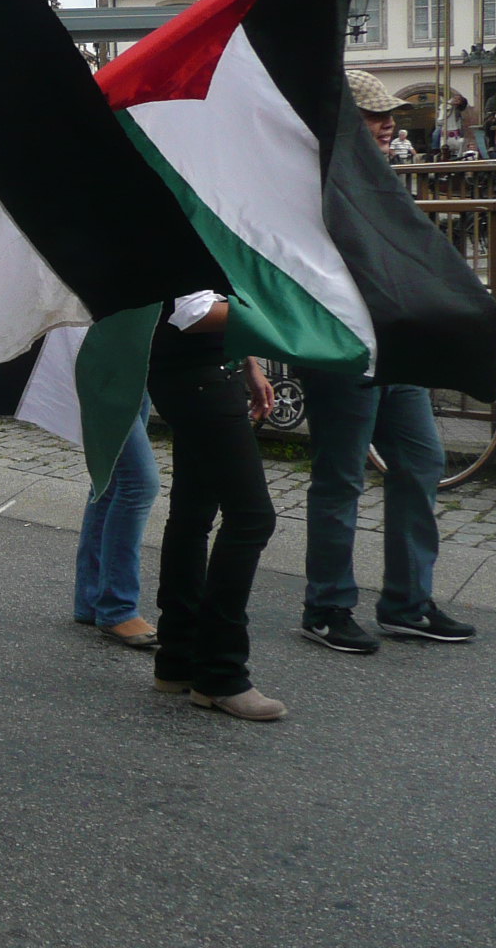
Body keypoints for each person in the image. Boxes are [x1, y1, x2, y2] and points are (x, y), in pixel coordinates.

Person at [295, 71, 478, 654]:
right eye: (375, 115)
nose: (389, 123)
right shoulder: (318, 178)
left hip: (392, 346)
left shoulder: (373, 175)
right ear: (346, 120)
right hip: (345, 346)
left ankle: (406, 602)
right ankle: (326, 607)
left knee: (421, 461)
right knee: (341, 477)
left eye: (388, 115)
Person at [147, 291, 283, 721]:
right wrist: (283, 307)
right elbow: (194, 311)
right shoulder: (195, 224)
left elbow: (218, 297)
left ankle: (178, 659)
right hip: (195, 377)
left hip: (199, 373)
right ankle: (220, 674)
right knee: (251, 517)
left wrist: (250, 365)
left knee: (192, 514)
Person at [73, 394, 161, 649]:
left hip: (135, 373)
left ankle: (92, 599)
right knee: (139, 483)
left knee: (111, 478)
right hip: (104, 369)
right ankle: (117, 608)